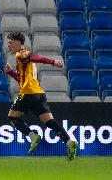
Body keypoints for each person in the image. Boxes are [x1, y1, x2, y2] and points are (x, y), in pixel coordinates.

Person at [4, 32, 78, 161]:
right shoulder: (22, 59)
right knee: (48, 121)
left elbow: (36, 58)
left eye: (10, 42)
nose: (9, 45)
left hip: (27, 94)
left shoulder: (22, 53)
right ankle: (69, 142)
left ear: (17, 42)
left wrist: (53, 62)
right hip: (38, 94)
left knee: (12, 117)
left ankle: (33, 136)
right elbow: (23, 81)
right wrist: (11, 73)